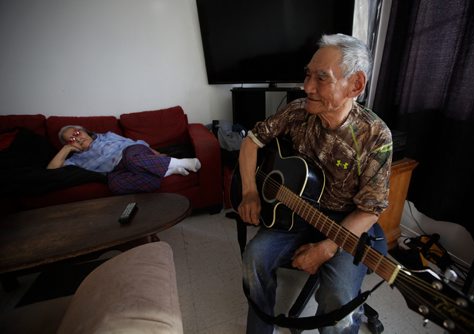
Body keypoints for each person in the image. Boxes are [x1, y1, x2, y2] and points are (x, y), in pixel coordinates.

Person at [236, 34, 393, 333]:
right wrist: (249, 191)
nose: (306, 87)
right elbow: (250, 142)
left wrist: (326, 248)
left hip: (344, 223)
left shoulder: (375, 135)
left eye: (322, 78)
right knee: (253, 258)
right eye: (308, 75)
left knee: (339, 297)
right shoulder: (297, 111)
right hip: (295, 210)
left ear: (355, 85)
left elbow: (370, 210)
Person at [47, 125, 201, 194]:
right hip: (118, 170)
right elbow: (51, 172)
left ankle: (183, 162)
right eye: (71, 140)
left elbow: (133, 143)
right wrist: (66, 149)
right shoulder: (76, 160)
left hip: (132, 153)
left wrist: (156, 154)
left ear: (84, 131)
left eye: (76, 133)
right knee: (115, 185)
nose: (77, 139)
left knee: (131, 158)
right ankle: (170, 170)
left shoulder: (105, 136)